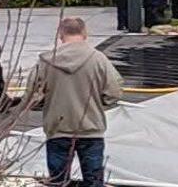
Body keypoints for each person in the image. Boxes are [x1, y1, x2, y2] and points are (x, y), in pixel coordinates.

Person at [25, 17, 123, 187]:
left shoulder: (46, 61)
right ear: (85, 33)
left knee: (58, 181)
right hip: (90, 129)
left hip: (57, 129)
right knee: (93, 182)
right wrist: (99, 104)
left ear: (60, 35)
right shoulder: (98, 59)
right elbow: (114, 92)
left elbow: (31, 97)